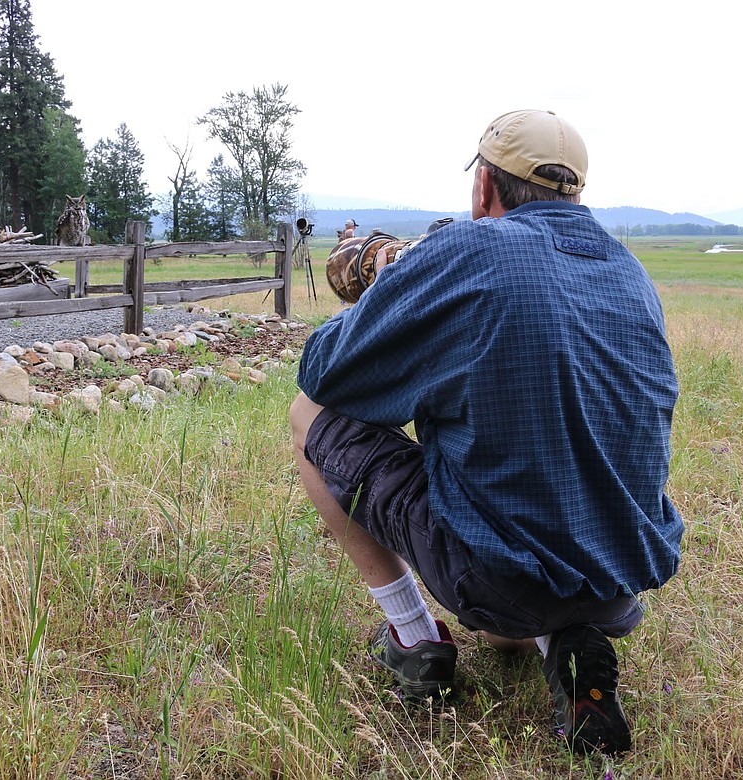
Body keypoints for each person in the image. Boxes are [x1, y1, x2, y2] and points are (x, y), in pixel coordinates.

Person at [289, 109, 684, 756]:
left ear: (484, 188)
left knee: (309, 413)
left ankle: (416, 642)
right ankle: (566, 641)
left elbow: (326, 372)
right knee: (507, 631)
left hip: (499, 580)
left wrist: (388, 291)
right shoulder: (631, 274)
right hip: (618, 582)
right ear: (575, 193)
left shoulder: (467, 251)